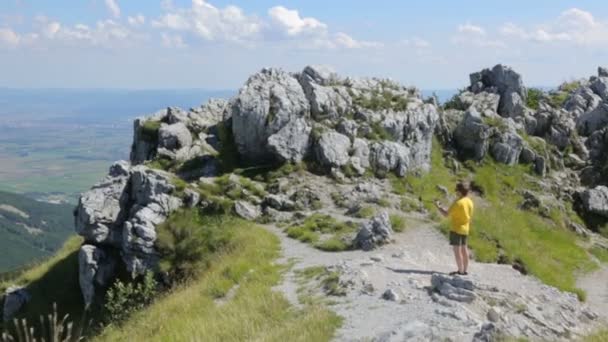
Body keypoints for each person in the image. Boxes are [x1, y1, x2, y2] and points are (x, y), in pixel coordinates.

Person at [434, 182, 474, 276]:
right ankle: (465, 270)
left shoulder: (457, 203)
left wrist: (438, 206)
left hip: (456, 229)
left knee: (457, 250)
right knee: (464, 249)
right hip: (465, 229)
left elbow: (446, 214)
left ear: (459, 192)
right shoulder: (470, 202)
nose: (455, 192)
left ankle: (460, 271)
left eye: (456, 190)